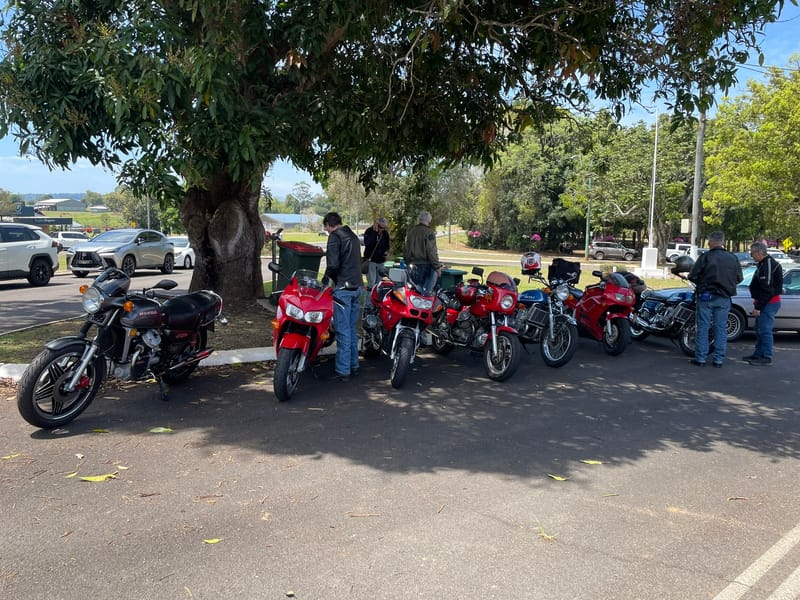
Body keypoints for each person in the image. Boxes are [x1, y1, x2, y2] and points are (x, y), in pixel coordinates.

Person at [687, 231, 743, 368]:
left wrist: (702, 283)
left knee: (703, 327)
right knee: (721, 328)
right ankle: (718, 359)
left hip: (706, 296)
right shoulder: (733, 258)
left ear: (710, 242)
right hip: (724, 297)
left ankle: (701, 358)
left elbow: (693, 276)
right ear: (722, 242)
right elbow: (739, 278)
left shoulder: (705, 257)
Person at [322, 212, 362, 382]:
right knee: (351, 328)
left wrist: (325, 281)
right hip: (357, 286)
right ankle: (354, 364)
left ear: (329, 225)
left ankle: (343, 370)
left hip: (344, 288)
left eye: (326, 228)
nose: (326, 231)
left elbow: (333, 264)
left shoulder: (334, 237)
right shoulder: (352, 236)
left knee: (343, 330)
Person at [744, 241, 783, 365]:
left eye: (752, 253)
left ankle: (766, 356)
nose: (751, 256)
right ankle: (758, 354)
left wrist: (758, 307)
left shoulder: (768, 265)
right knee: (759, 329)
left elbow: (768, 290)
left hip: (769, 303)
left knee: (765, 330)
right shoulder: (763, 264)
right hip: (764, 302)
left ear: (759, 252)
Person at [403, 210, 442, 294]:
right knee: (426, 293)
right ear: (429, 220)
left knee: (414, 292)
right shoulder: (429, 233)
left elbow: (406, 250)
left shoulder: (411, 232)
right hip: (426, 266)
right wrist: (437, 267)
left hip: (412, 266)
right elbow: (431, 251)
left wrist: (407, 262)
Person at [363, 217, 390, 288]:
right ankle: (369, 295)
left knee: (379, 283)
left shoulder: (385, 233)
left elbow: (387, 245)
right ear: (376, 225)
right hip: (371, 260)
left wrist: (386, 251)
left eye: (384, 228)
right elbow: (368, 243)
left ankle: (377, 294)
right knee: (371, 283)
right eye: (381, 227)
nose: (382, 229)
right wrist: (375, 233)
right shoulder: (369, 231)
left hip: (381, 260)